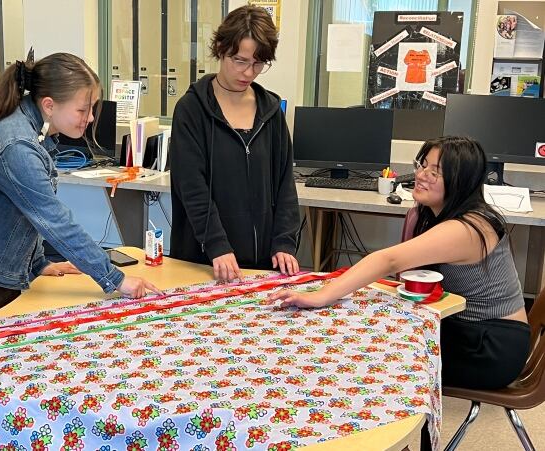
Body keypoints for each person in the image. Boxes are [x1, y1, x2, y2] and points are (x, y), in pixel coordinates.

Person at [269, 136, 530, 390]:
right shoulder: (437, 216)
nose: (422, 174)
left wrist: (321, 296)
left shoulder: (467, 228)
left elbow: (390, 260)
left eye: (435, 172)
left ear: (460, 181)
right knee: (370, 328)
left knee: (377, 353)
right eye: (423, 164)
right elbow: (408, 275)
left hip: (490, 345)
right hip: (465, 328)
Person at [0, 51, 161, 326]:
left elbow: (24, 211)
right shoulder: (16, 145)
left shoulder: (28, 128)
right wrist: (116, 278)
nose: (90, 118)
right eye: (82, 109)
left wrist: (38, 263)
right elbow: (53, 220)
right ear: (49, 105)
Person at [169, 5, 301, 283]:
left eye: (258, 64)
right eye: (240, 61)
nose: (248, 73)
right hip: (205, 259)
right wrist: (217, 244)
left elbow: (284, 183)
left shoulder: (270, 111)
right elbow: (192, 187)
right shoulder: (192, 109)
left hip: (261, 261)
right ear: (220, 48)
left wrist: (284, 242)